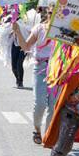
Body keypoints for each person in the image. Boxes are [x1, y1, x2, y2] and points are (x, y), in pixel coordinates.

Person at [13, 8, 57, 145]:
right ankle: (37, 129)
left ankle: (49, 134)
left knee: (53, 105)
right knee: (40, 104)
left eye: (57, 12)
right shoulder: (39, 28)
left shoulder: (64, 31)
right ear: (47, 14)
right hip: (41, 69)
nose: (53, 15)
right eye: (51, 12)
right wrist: (18, 31)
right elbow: (26, 47)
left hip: (58, 71)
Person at [10, 12, 26, 88]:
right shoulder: (9, 22)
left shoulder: (23, 22)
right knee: (13, 66)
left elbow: (27, 31)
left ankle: (20, 81)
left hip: (23, 45)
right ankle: (17, 79)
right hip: (15, 45)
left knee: (19, 64)